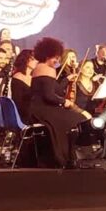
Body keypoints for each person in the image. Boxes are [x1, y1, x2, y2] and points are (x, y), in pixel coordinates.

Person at [29, 37, 90, 167]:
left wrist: (66, 80)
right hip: (44, 109)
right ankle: (67, 156)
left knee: (72, 118)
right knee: (77, 118)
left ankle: (69, 156)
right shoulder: (48, 69)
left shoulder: (38, 67)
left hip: (37, 108)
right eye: (55, 58)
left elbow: (55, 89)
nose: (57, 61)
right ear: (47, 55)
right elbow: (49, 96)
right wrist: (64, 102)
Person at [10, 49, 37, 123]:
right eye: (33, 59)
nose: (36, 61)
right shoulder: (17, 77)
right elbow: (17, 101)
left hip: (33, 110)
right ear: (25, 60)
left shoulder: (33, 77)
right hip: (24, 114)